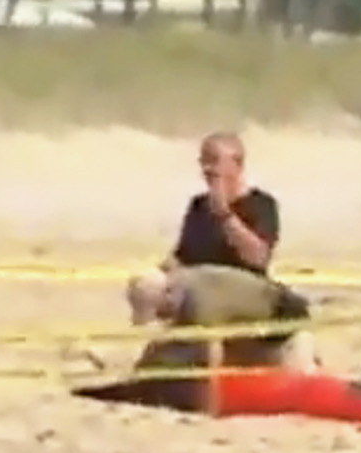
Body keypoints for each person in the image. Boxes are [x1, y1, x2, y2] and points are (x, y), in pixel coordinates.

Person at [124, 131, 319, 374]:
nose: (208, 169)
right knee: (149, 284)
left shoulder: (261, 204)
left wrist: (225, 215)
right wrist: (152, 278)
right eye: (204, 161)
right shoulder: (198, 207)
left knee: (203, 293)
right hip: (201, 294)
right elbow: (182, 258)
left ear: (236, 165)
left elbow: (258, 257)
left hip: (249, 294)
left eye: (214, 161)